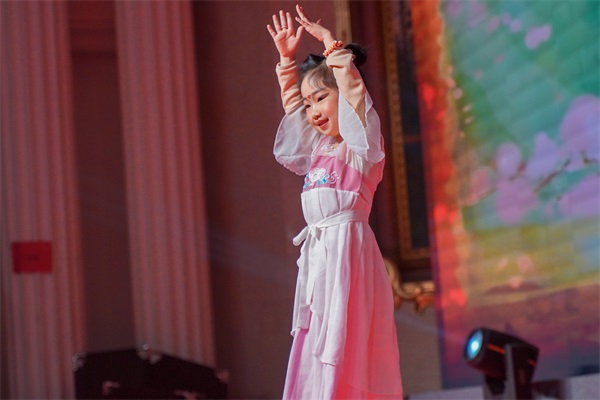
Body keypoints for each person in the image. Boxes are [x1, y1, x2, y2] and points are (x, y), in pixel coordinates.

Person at [267, 4, 403, 399]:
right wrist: (286, 62)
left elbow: (356, 96)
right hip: (320, 261)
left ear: (342, 96)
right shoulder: (320, 149)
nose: (312, 112)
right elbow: (294, 109)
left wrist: (332, 47)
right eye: (308, 104)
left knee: (345, 344)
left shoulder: (361, 148)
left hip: (348, 257)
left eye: (320, 99)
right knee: (315, 343)